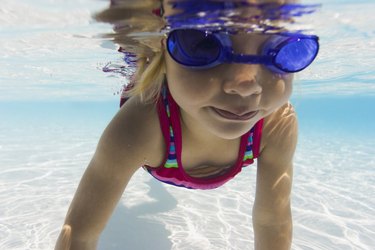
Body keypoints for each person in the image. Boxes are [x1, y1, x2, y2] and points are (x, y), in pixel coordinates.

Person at [55, 0, 319, 249]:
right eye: (201, 45)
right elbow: (79, 234)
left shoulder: (276, 124)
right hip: (156, 105)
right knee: (145, 82)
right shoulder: (138, 129)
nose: (246, 86)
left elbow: (272, 221)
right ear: (162, 45)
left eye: (283, 49)